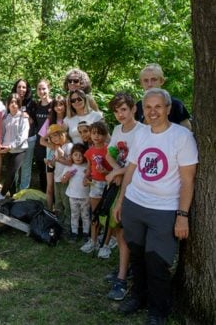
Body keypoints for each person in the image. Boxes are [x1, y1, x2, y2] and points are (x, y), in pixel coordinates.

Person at [114, 88, 197, 324]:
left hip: (164, 210)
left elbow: (187, 179)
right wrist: (121, 201)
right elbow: (131, 168)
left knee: (157, 261)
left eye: (158, 106)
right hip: (134, 204)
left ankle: (158, 310)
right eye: (148, 107)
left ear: (168, 109)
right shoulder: (141, 134)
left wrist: (182, 215)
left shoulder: (182, 137)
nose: (152, 111)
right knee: (137, 257)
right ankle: (139, 296)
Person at [104, 92, 147, 301]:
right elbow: (109, 153)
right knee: (118, 229)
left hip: (137, 186)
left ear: (133, 109)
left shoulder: (143, 131)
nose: (120, 114)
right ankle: (124, 268)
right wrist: (116, 171)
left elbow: (139, 162)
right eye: (116, 110)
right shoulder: (116, 129)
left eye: (124, 109)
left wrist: (118, 173)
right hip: (120, 184)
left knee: (127, 232)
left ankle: (122, 278)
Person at [80, 121, 113, 256]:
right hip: (95, 185)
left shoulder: (109, 149)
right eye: (94, 133)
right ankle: (93, 241)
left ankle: (106, 244)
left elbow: (114, 170)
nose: (97, 136)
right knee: (96, 215)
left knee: (109, 216)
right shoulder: (89, 152)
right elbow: (89, 168)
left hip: (109, 185)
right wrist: (86, 177)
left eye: (100, 133)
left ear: (106, 135)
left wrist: (105, 171)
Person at [134, 63, 191, 130]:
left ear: (161, 81)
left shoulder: (176, 104)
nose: (149, 84)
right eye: (146, 80)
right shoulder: (139, 105)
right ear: (141, 83)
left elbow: (187, 130)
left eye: (154, 80)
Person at [38, 95, 67, 209]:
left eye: (61, 104)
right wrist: (55, 147)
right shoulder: (50, 120)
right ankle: (49, 211)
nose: (59, 107)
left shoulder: (69, 119)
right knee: (50, 187)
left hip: (65, 158)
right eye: (56, 105)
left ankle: (63, 214)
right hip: (50, 158)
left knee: (63, 186)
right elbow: (41, 140)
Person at [0, 93, 29, 197]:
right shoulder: (5, 118)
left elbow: (23, 136)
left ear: (19, 104)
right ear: (8, 104)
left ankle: (1, 194)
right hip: (7, 150)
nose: (13, 104)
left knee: (11, 173)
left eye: (16, 102)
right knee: (9, 174)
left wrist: (11, 146)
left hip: (19, 150)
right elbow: (2, 134)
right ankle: (12, 196)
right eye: (11, 102)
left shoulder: (23, 118)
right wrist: (1, 145)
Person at [61, 143, 90, 243]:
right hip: (72, 196)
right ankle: (74, 233)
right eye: (76, 155)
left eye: (81, 155)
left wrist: (89, 177)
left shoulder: (87, 167)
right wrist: (67, 176)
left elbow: (91, 181)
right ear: (71, 156)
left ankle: (86, 233)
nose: (78, 157)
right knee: (74, 215)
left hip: (85, 196)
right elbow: (63, 181)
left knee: (85, 215)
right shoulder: (69, 167)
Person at [43, 124, 72, 222]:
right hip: (57, 178)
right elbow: (56, 163)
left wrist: (58, 160)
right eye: (51, 137)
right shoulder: (58, 147)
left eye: (55, 135)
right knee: (58, 202)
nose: (53, 139)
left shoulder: (69, 146)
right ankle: (58, 222)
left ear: (63, 134)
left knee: (66, 203)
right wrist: (50, 163)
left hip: (65, 179)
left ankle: (68, 225)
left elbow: (69, 162)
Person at [30, 79, 54, 192]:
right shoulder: (36, 106)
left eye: (44, 88)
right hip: (39, 143)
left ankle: (54, 199)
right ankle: (44, 196)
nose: (41, 91)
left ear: (49, 89)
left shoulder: (54, 105)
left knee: (52, 170)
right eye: (39, 89)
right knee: (41, 170)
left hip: (52, 143)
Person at [13, 79, 35, 191]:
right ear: (15, 88)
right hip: (13, 139)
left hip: (29, 139)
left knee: (26, 166)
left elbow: (33, 122)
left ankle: (23, 191)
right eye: (19, 87)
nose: (21, 89)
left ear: (27, 89)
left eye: (24, 87)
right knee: (15, 166)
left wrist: (26, 116)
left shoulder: (32, 103)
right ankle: (13, 191)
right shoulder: (11, 101)